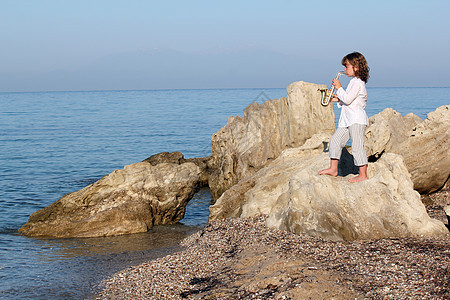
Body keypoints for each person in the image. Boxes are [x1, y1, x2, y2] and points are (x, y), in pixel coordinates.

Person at [319, 51, 370, 182]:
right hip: (347, 120)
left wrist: (339, 87)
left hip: (356, 120)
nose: (344, 69)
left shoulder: (358, 82)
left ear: (356, 67)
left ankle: (363, 175)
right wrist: (336, 99)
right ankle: (333, 169)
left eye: (347, 66)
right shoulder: (354, 82)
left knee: (357, 146)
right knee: (335, 141)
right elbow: (349, 100)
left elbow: (347, 99)